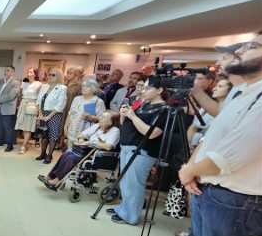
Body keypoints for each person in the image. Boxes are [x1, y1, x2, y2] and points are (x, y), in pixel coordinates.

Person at [169, 33, 262, 236]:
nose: (243, 50)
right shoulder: (245, 92)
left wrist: (189, 171)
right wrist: (192, 169)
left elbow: (231, 156)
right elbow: (212, 137)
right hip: (212, 187)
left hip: (237, 196)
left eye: (254, 46)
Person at [107, 76, 169, 225]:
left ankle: (131, 216)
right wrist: (124, 115)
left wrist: (133, 116)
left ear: (159, 90)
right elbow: (126, 125)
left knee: (134, 184)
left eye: (148, 88)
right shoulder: (144, 104)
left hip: (142, 150)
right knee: (125, 181)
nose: (143, 90)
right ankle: (124, 208)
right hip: (127, 146)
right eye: (143, 87)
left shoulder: (164, 109)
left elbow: (152, 133)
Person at [39, 110, 121, 190]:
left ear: (111, 122)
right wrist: (81, 140)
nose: (100, 118)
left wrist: (91, 142)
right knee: (66, 154)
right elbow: (81, 134)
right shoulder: (97, 126)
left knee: (72, 158)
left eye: (104, 117)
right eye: (101, 116)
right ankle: (51, 176)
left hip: (99, 156)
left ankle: (57, 180)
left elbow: (109, 146)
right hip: (87, 152)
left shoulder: (114, 131)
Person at [186, 77, 232, 149]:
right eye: (216, 86)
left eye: (220, 86)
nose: (214, 89)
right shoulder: (206, 107)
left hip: (207, 146)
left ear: (231, 91)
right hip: (192, 144)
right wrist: (186, 145)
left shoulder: (228, 110)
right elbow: (193, 127)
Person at [35, 68, 67, 164]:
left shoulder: (62, 88)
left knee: (52, 136)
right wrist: (40, 113)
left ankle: (49, 156)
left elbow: (60, 104)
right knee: (43, 134)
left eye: (53, 75)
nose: (50, 76)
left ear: (59, 76)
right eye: (49, 74)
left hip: (55, 114)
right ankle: (43, 153)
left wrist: (49, 116)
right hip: (43, 113)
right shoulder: (44, 86)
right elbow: (39, 101)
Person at [64, 79, 106, 149]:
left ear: (94, 89)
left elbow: (102, 118)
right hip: (72, 129)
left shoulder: (98, 101)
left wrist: (90, 117)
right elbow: (70, 113)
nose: (84, 88)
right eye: (83, 86)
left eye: (87, 86)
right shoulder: (77, 99)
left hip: (85, 131)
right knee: (70, 150)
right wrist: (65, 127)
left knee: (79, 152)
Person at [0, 65, 21, 152]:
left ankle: (10, 145)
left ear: (13, 72)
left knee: (8, 128)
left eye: (8, 70)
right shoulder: (1, 82)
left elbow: (11, 96)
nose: (5, 72)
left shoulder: (16, 83)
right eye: (5, 70)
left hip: (7, 108)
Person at [14, 67, 42, 154]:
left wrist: (38, 110)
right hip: (23, 104)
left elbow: (39, 98)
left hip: (32, 105)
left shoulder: (38, 84)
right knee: (22, 126)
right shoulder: (24, 83)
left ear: (35, 74)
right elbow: (20, 95)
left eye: (31, 72)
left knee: (28, 127)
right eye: (28, 72)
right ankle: (26, 144)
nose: (29, 73)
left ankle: (23, 146)